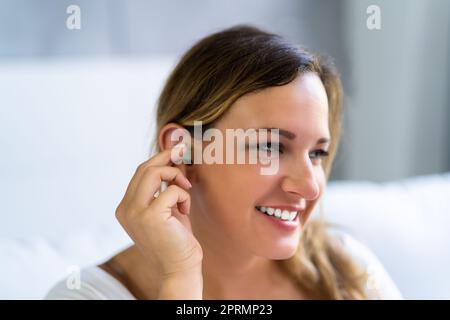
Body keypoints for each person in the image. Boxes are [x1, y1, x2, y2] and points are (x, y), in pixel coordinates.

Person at [45, 25, 402, 300]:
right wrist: (180, 278)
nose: (310, 186)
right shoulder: (87, 295)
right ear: (183, 152)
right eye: (271, 148)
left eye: (317, 154)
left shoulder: (347, 268)